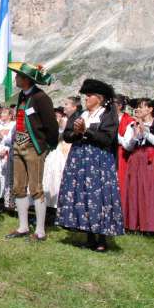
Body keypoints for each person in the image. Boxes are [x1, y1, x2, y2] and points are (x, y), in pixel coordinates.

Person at [56, 79, 124, 251]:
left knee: (98, 196)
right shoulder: (81, 114)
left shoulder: (107, 114)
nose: (86, 98)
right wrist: (77, 133)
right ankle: (89, 236)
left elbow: (107, 138)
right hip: (79, 159)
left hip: (99, 161)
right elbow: (67, 136)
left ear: (99, 98)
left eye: (89, 95)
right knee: (82, 194)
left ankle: (102, 238)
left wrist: (87, 131)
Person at [5, 62, 58, 241]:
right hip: (18, 146)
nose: (16, 78)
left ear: (27, 79)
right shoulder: (22, 96)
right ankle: (23, 227)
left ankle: (40, 231)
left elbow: (51, 125)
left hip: (34, 148)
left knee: (35, 188)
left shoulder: (41, 98)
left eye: (18, 76)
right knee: (18, 187)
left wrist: (47, 147)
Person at [121, 98, 154, 232]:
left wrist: (146, 132)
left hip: (153, 161)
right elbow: (127, 146)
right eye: (136, 107)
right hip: (136, 160)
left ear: (150, 109)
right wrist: (134, 136)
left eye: (140, 106)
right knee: (135, 189)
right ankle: (136, 224)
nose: (137, 109)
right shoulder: (132, 125)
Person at [114, 94, 136, 204]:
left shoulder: (129, 120)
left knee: (121, 183)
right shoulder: (107, 118)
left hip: (122, 156)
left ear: (119, 106)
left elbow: (128, 144)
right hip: (108, 153)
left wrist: (115, 136)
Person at [0, 107, 16, 210]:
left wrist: (6, 150)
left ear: (10, 115)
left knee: (8, 177)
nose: (2, 115)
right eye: (1, 113)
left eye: (4, 113)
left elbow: (10, 139)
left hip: (8, 152)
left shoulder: (13, 125)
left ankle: (9, 203)